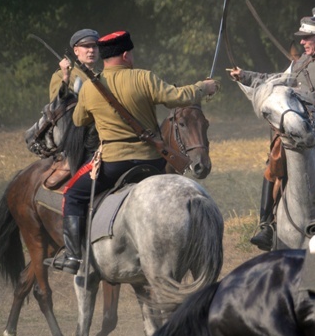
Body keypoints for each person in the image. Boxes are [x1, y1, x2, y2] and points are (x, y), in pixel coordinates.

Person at [44, 30, 219, 274]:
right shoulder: (144, 78)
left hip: (113, 164)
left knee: (73, 194)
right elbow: (177, 97)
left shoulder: (90, 88)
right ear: (126, 55)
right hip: (153, 162)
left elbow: (78, 119)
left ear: (105, 57)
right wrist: (204, 86)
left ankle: (74, 257)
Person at [230, 16, 315, 251]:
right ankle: (267, 225)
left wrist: (303, 97)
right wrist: (245, 76)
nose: (303, 42)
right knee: (273, 162)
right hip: (298, 127)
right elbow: (273, 80)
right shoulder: (300, 63)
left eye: (307, 37)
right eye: (303, 38)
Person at [49, 29, 100, 100]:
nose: (91, 50)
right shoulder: (61, 75)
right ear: (76, 50)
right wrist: (66, 77)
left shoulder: (105, 74)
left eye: (94, 46)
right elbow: (56, 102)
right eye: (86, 46)